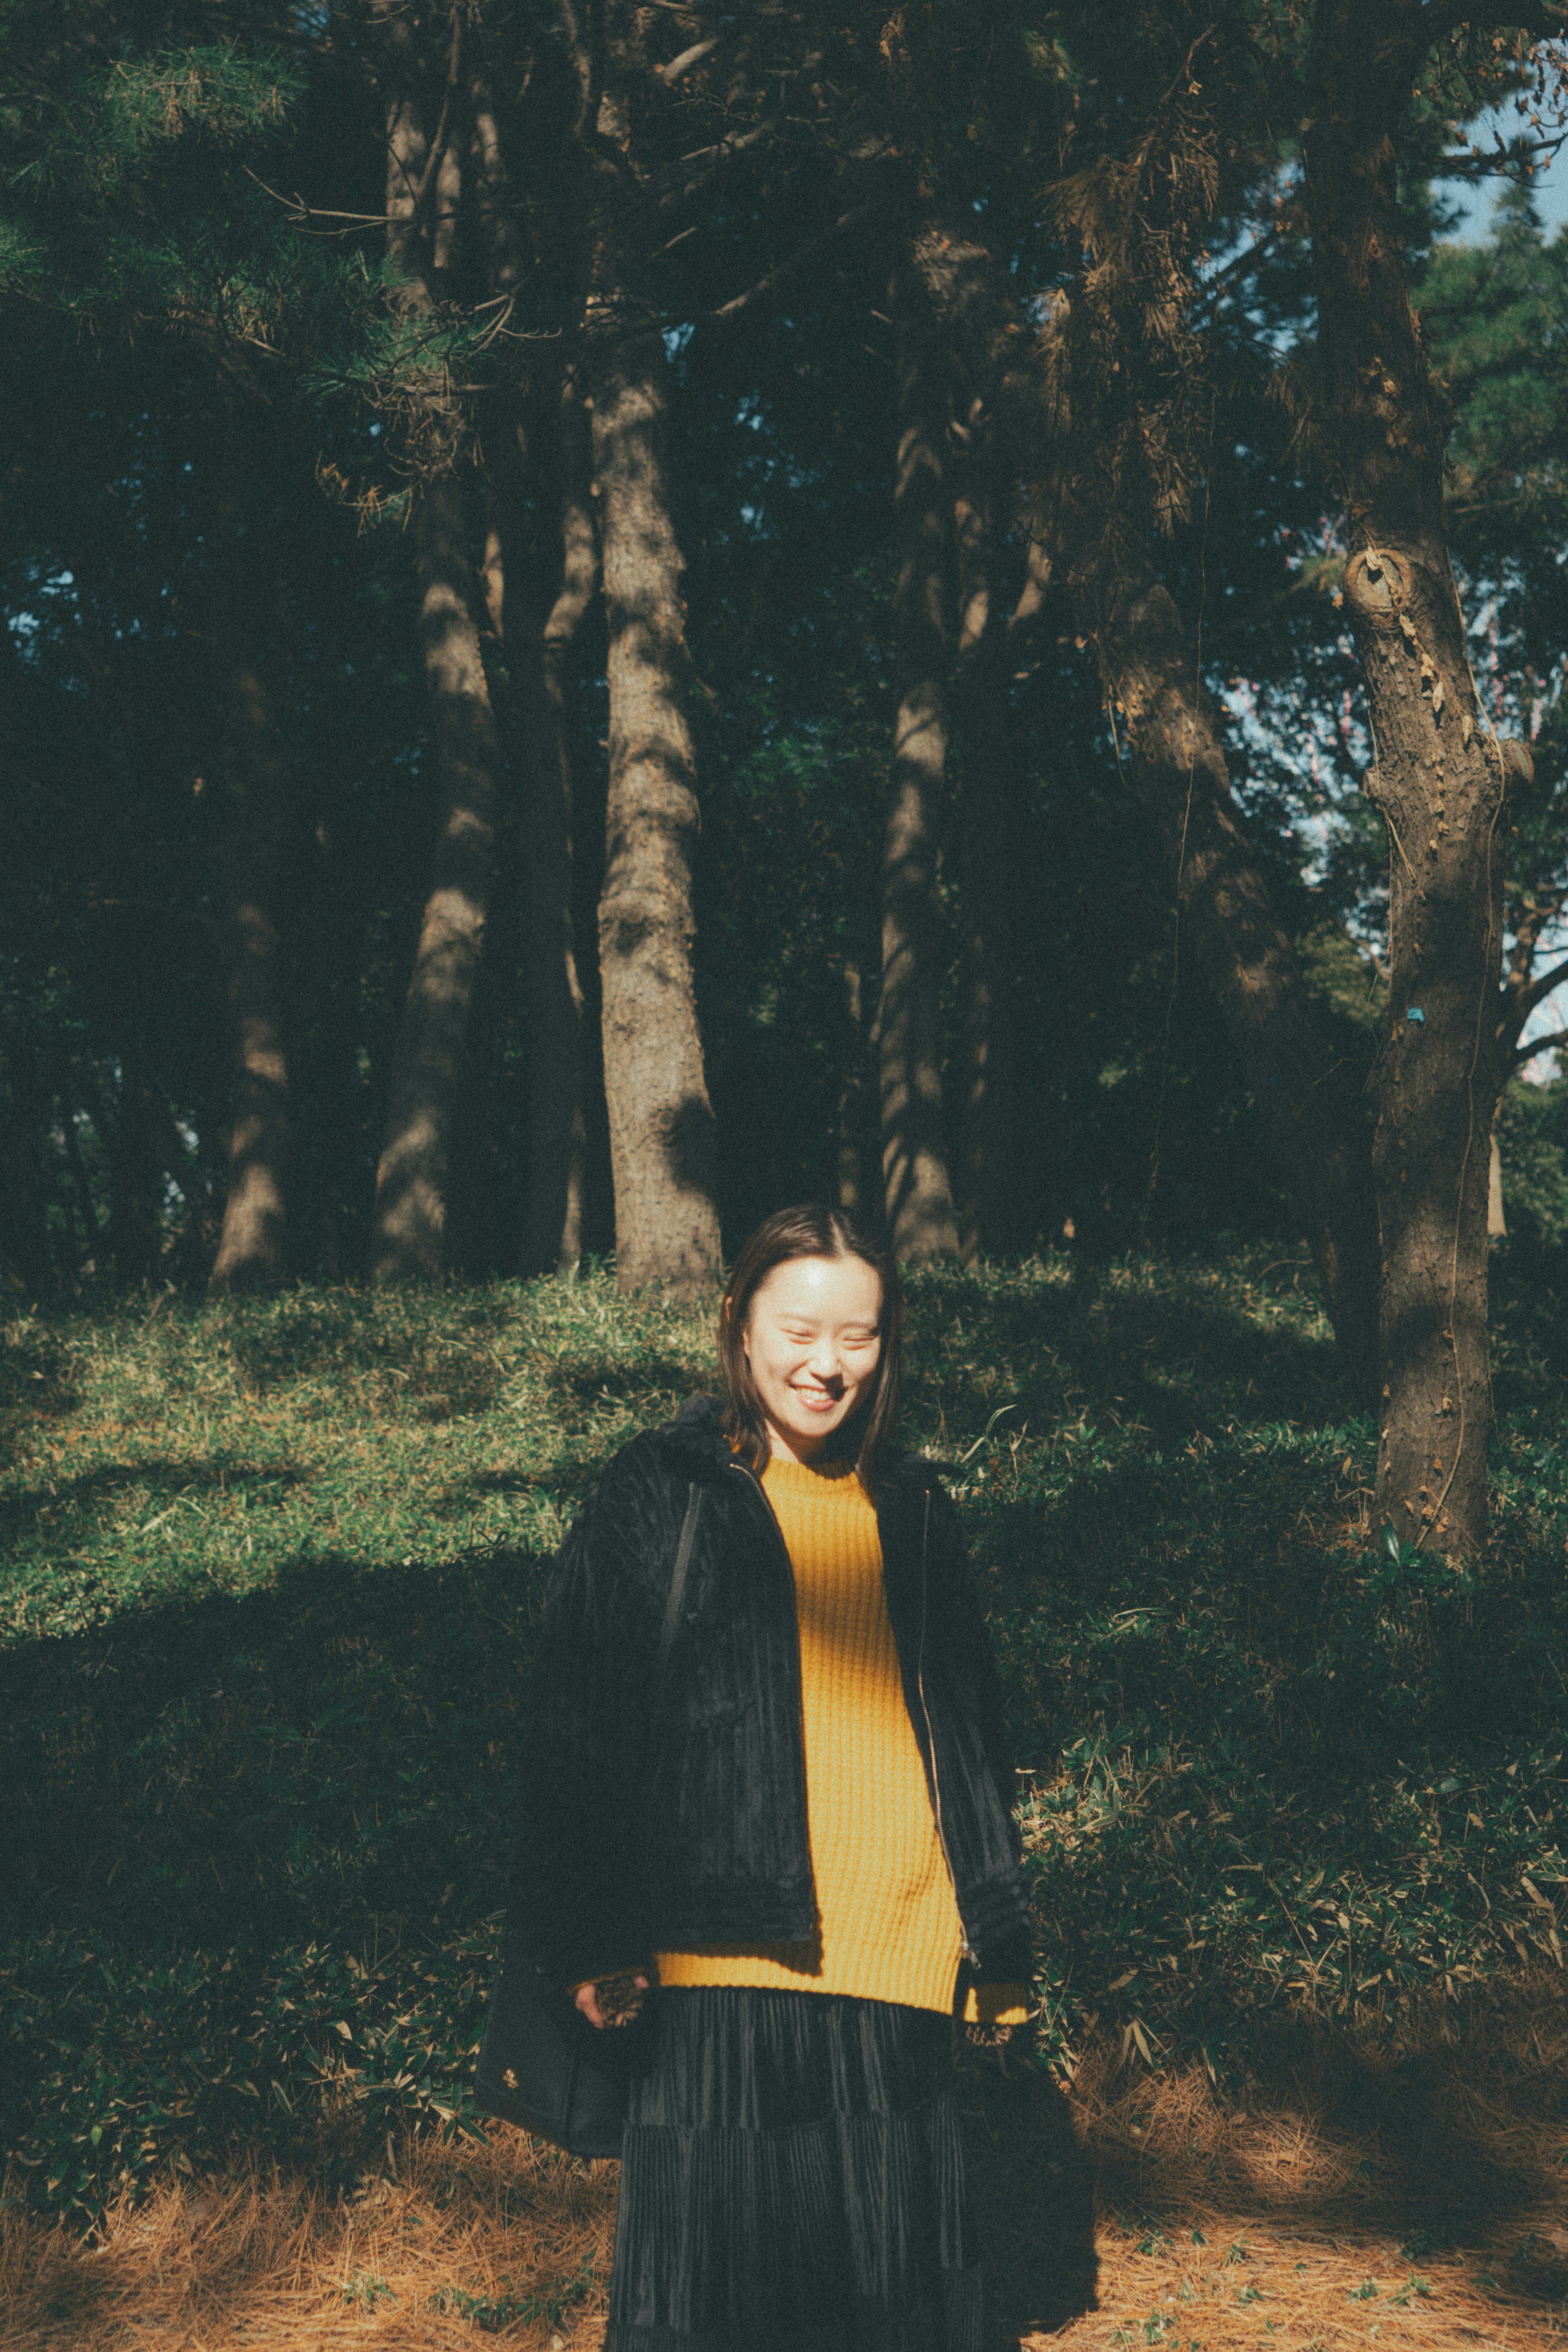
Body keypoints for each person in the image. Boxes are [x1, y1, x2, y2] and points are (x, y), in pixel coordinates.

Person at [504, 1204, 1033, 2351]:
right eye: (800, 1331)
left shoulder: (918, 1507)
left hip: (893, 1951)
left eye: (860, 1336)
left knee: (890, 2305)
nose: (827, 1366)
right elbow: (576, 1728)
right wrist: (591, 1934)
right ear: (740, 1327)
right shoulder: (662, 1490)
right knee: (713, 2307)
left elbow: (970, 1736)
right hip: (717, 1962)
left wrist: (991, 1936)